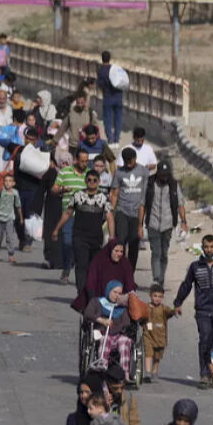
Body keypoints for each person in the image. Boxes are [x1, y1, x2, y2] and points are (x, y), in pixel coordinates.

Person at [172, 235, 213, 389]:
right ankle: (204, 374)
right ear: (202, 248)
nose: (209, 250)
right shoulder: (195, 267)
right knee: (205, 340)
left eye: (212, 246)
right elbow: (186, 285)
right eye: (206, 247)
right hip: (202, 311)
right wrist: (178, 302)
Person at [51, 169, 115, 292]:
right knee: (81, 264)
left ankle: (90, 290)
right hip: (79, 235)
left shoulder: (103, 198)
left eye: (94, 180)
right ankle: (81, 292)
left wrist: (112, 236)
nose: (91, 182)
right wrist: (56, 229)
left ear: (99, 182)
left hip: (96, 237)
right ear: (85, 181)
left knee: (93, 266)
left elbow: (110, 217)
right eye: (89, 180)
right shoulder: (77, 196)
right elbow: (68, 213)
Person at [143, 159, 186, 287]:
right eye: (162, 175)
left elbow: (180, 204)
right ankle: (156, 278)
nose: (164, 178)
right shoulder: (150, 183)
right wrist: (140, 224)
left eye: (166, 175)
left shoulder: (173, 184)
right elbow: (142, 205)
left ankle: (161, 278)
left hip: (168, 224)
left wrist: (184, 221)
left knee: (164, 253)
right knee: (156, 252)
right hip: (153, 223)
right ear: (158, 173)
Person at [50, 149, 90, 284]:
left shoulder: (89, 174)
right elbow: (54, 189)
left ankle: (80, 272)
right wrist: (62, 189)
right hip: (68, 215)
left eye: (87, 161)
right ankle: (66, 268)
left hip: (85, 216)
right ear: (76, 160)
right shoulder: (65, 172)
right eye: (82, 161)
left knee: (82, 246)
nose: (85, 164)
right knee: (67, 242)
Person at [83, 281, 135, 380]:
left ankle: (125, 374)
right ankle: (103, 370)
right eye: (115, 292)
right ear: (108, 290)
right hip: (102, 333)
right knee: (105, 340)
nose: (117, 295)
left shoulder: (121, 308)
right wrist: (101, 320)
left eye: (119, 293)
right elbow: (88, 314)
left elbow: (126, 322)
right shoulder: (97, 301)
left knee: (125, 341)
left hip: (117, 335)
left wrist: (118, 325)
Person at [109, 148, 147, 270]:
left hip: (137, 212)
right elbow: (114, 193)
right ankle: (118, 269)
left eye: (130, 161)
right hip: (122, 211)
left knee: (134, 243)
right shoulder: (119, 172)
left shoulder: (143, 171)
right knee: (120, 241)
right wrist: (111, 212)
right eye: (126, 162)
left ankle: (130, 272)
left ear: (135, 159)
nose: (128, 164)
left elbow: (146, 193)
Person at [142, 284, 174, 383]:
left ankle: (154, 371)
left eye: (160, 296)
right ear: (150, 295)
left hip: (160, 336)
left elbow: (170, 312)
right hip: (148, 334)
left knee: (157, 356)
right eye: (155, 296)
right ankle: (147, 373)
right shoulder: (146, 307)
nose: (157, 299)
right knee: (148, 352)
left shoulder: (164, 308)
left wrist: (175, 311)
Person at [0, 171, 22, 262]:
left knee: (10, 237)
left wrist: (21, 217)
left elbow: (18, 206)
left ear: (13, 183)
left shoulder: (15, 193)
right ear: (3, 182)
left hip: (10, 218)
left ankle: (11, 255)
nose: (8, 183)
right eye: (6, 181)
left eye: (10, 181)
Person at [97, 51, 124, 143]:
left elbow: (100, 84)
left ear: (102, 58)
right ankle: (117, 138)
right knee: (118, 118)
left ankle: (110, 138)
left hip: (108, 98)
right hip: (118, 97)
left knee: (107, 119)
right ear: (110, 58)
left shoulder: (101, 71)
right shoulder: (115, 69)